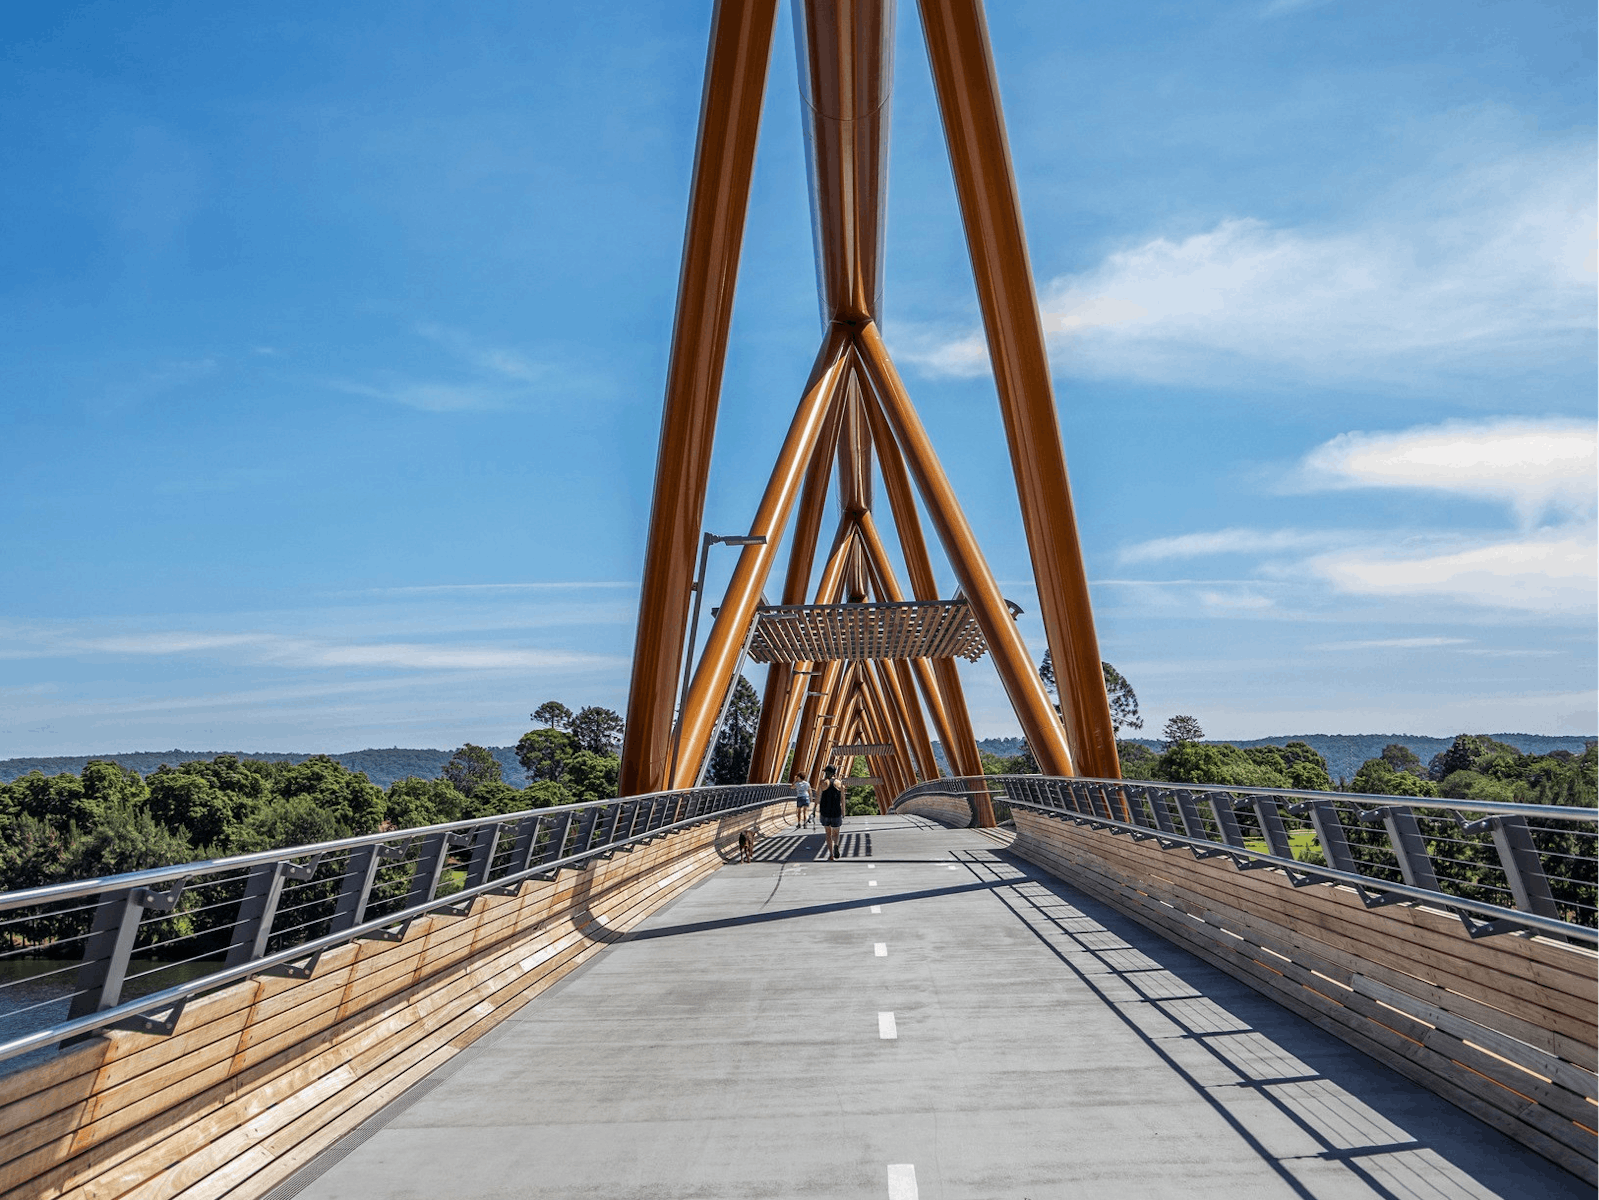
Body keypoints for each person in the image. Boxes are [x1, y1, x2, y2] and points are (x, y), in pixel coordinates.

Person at [817, 765, 845, 860]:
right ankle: (836, 845)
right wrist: (843, 811)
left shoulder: (823, 783)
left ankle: (831, 854)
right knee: (836, 833)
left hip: (825, 812)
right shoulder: (839, 783)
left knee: (828, 833)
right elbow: (842, 799)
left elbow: (817, 798)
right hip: (836, 811)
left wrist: (814, 811)